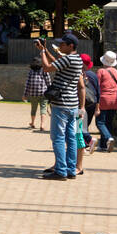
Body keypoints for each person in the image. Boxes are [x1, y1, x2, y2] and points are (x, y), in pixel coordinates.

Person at [39, 33, 86, 181]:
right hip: (72, 104)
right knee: (70, 138)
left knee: (58, 138)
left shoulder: (68, 59)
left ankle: (60, 170)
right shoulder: (77, 59)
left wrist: (41, 52)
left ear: (70, 46)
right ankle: (71, 169)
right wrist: (46, 50)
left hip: (61, 104)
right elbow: (56, 64)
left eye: (62, 44)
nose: (60, 46)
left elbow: (47, 68)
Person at [95, 50, 117, 152]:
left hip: (103, 99)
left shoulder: (101, 71)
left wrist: (96, 103)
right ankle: (103, 146)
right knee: (108, 123)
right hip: (115, 100)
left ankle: (108, 138)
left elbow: (97, 87)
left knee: (100, 123)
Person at [80, 53, 99, 154]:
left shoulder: (79, 74)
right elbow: (98, 91)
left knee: (79, 125)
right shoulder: (94, 75)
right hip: (92, 102)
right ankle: (84, 145)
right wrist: (97, 107)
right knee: (84, 125)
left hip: (82, 103)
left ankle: (90, 140)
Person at [23, 59, 49, 131]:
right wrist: (50, 90)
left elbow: (27, 84)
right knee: (43, 109)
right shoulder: (44, 70)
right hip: (43, 93)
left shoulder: (31, 71)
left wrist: (25, 94)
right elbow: (48, 81)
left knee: (33, 109)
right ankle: (42, 124)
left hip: (33, 93)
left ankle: (32, 123)